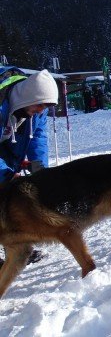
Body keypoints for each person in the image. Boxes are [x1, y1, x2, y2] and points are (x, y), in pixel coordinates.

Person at [0, 68, 60, 267]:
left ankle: (18, 250)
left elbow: (38, 138)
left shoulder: (34, 109)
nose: (42, 110)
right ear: (28, 97)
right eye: (40, 105)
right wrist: (6, 175)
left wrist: (39, 168)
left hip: (7, 151)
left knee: (11, 203)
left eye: (46, 107)